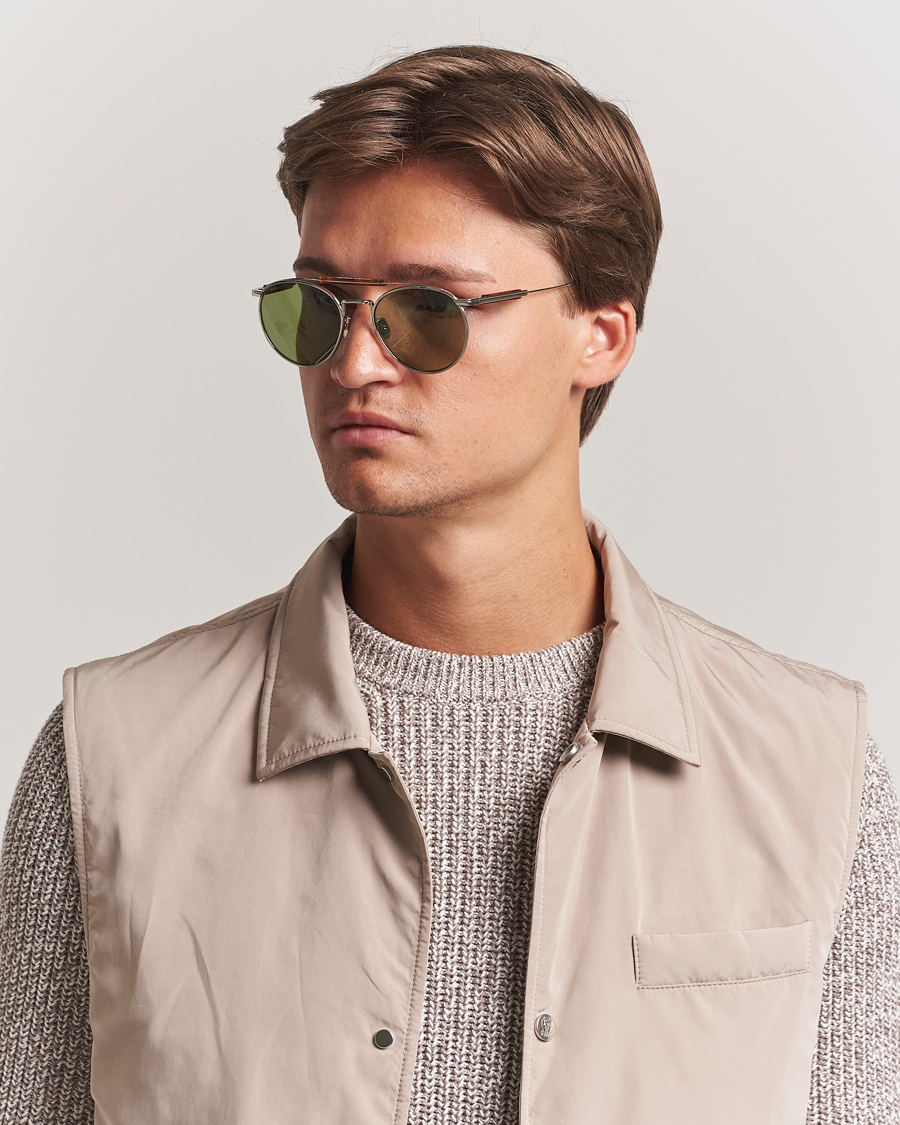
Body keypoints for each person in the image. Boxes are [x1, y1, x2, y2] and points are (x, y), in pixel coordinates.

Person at [1, 44, 897, 1125]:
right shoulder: (112, 758)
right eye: (319, 307)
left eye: (429, 308)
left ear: (601, 335)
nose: (353, 364)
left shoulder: (813, 768)